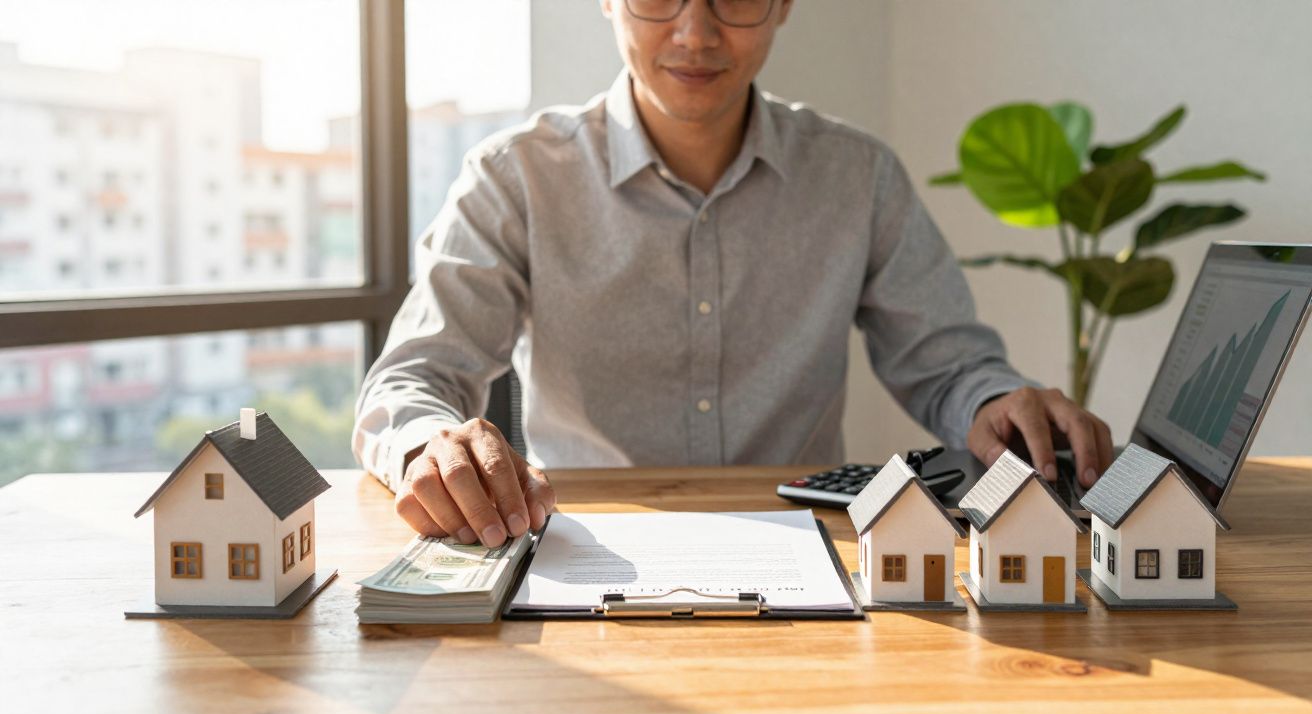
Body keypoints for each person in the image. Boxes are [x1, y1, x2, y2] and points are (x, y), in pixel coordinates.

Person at [352, 0, 1114, 546]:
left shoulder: (858, 176)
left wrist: (994, 402)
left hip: (819, 552)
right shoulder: (515, 177)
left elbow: (950, 367)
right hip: (581, 547)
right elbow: (412, 379)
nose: (696, 31)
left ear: (782, 6)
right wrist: (430, 445)